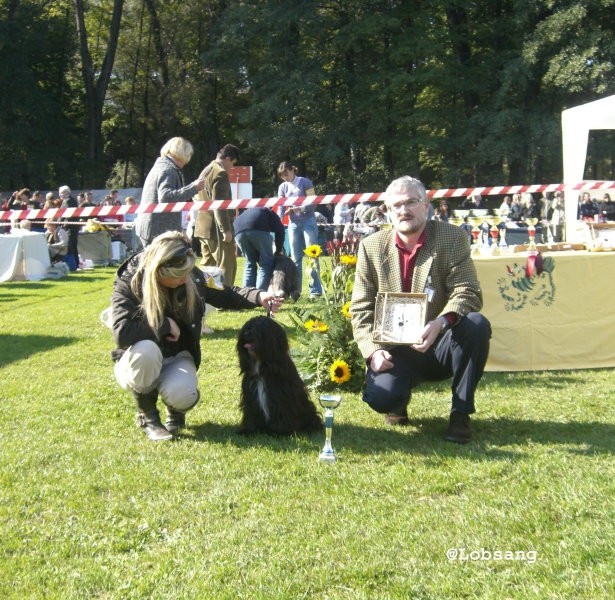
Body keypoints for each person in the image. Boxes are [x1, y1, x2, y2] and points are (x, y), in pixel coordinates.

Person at [350, 175, 491, 443]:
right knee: (381, 398)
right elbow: (360, 309)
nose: (404, 210)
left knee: (476, 324)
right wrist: (373, 352)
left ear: (426, 205)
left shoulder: (452, 237)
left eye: (412, 202)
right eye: (397, 206)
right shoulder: (370, 247)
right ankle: (397, 402)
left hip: (439, 344)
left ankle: (460, 414)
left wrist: (441, 322)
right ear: (388, 212)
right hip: (392, 349)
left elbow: (468, 291)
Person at [109, 230, 283, 441]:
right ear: (160, 270)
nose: (185, 279)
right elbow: (122, 332)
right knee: (147, 351)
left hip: (177, 355)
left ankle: (176, 410)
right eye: (179, 276)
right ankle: (149, 417)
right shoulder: (129, 281)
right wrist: (165, 325)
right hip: (138, 359)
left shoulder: (192, 276)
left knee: (184, 395)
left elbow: (226, 293)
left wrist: (259, 296)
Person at [135, 137, 206, 247]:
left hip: (150, 226)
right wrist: (193, 187)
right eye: (188, 155)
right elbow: (166, 197)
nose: (188, 159)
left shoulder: (160, 166)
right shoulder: (168, 170)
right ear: (182, 153)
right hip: (159, 230)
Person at [194, 144, 239, 286]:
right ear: (227, 158)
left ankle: (203, 296)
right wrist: (225, 230)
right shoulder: (220, 173)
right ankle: (226, 298)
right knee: (226, 265)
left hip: (202, 226)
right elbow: (219, 206)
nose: (232, 167)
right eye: (232, 163)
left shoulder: (206, 170)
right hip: (216, 229)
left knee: (207, 266)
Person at [277, 161, 323, 298]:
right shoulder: (282, 187)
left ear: (293, 170)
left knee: (312, 256)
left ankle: (315, 291)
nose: (285, 177)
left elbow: (313, 202)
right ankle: (295, 291)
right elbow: (280, 206)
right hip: (293, 224)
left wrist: (299, 208)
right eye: (282, 176)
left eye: (287, 174)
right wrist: (278, 221)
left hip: (309, 221)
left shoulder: (306, 182)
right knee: (295, 258)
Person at [234, 207, 285, 290]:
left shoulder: (253, 211)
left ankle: (247, 294)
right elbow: (281, 231)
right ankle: (260, 294)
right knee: (265, 264)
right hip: (258, 228)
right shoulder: (272, 214)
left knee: (249, 263)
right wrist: (278, 251)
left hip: (238, 232)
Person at [59, 185, 80, 270]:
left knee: (71, 246)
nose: (60, 195)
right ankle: (75, 263)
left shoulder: (68, 201)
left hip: (70, 227)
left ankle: (74, 264)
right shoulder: (70, 200)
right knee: (73, 245)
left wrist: (63, 225)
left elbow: (68, 215)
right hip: (71, 227)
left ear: (66, 193)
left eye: (61, 193)